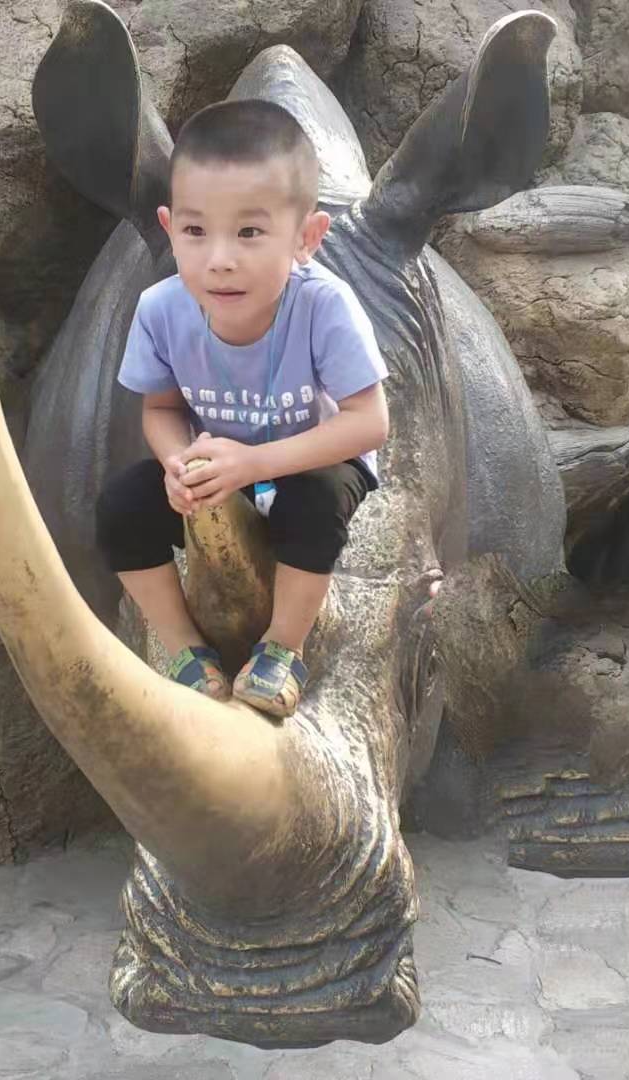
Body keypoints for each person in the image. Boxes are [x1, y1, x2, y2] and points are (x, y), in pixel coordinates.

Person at [96, 98, 389, 718]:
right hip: (221, 471)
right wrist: (177, 464)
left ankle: (283, 647)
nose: (219, 259)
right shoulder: (160, 311)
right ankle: (185, 651)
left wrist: (254, 464)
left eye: (250, 233)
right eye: (196, 232)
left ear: (306, 238)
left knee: (314, 505)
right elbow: (160, 410)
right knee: (121, 508)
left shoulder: (325, 307)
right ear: (169, 227)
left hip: (308, 459)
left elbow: (369, 423)